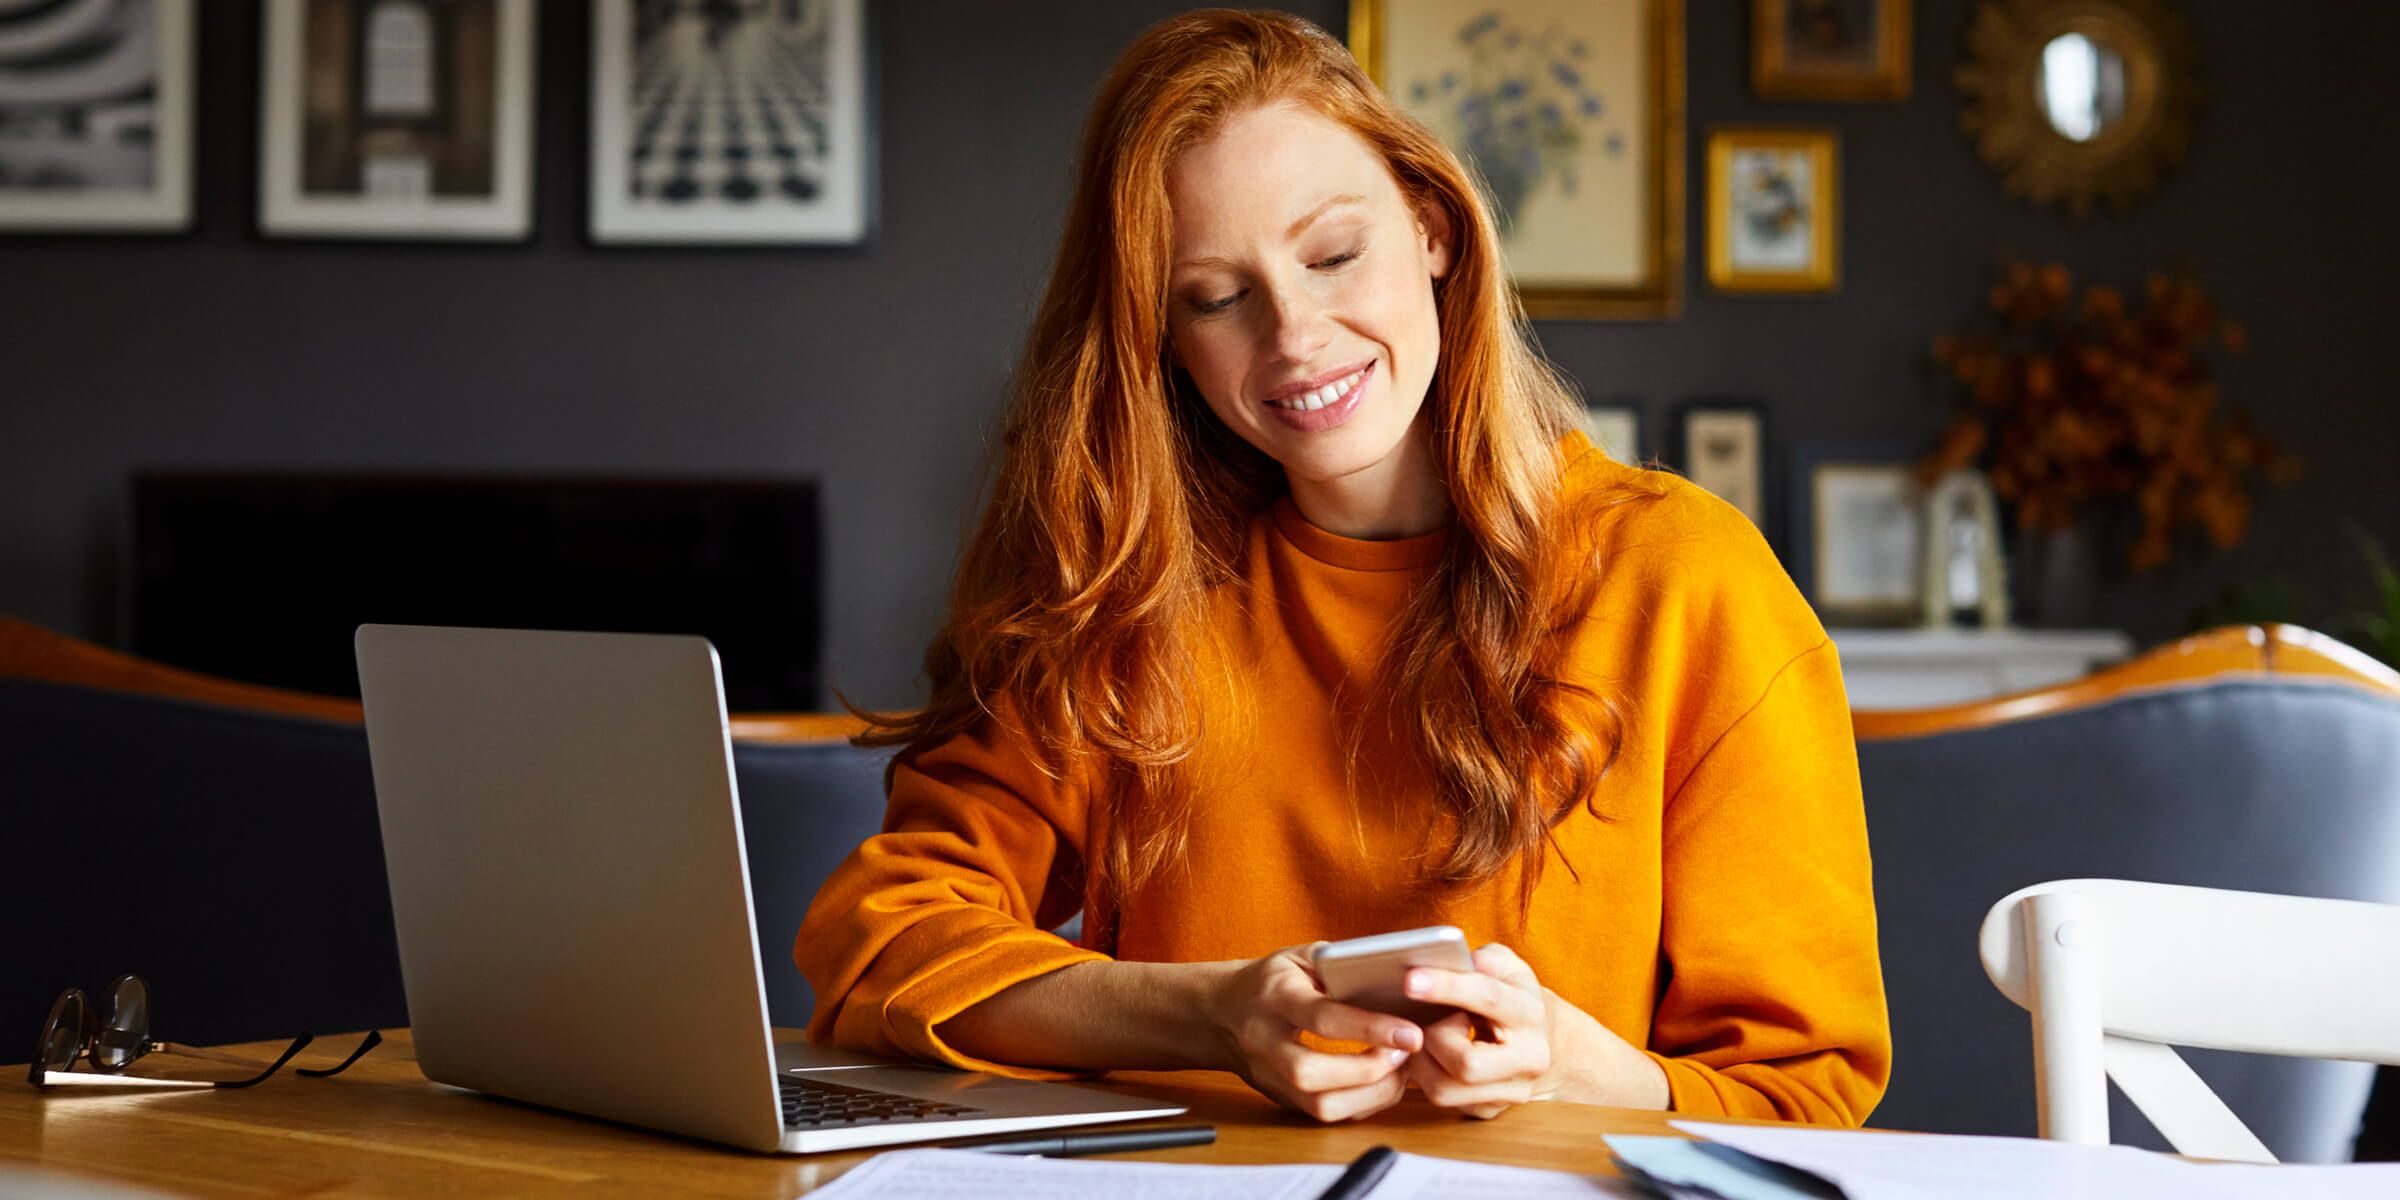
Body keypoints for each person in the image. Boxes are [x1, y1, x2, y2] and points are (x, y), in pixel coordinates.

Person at [796, 9, 1889, 1126]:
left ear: (1433, 230)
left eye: (1332, 255)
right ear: (1163, 339)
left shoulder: (1684, 581)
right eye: (1217, 298)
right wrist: (1215, 1014)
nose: (1295, 334)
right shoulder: (1136, 591)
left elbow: (1805, 1091)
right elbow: (884, 940)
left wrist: (1568, 1063)